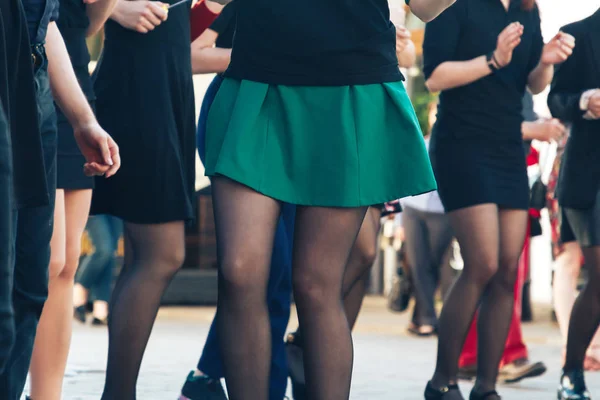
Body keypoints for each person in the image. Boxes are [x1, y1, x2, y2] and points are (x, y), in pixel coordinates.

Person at [203, 0, 454, 399]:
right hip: (258, 81)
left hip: (351, 86)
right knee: (238, 272)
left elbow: (424, 7)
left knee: (317, 284)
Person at [421, 0, 575, 398]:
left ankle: (486, 387)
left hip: (507, 145)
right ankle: (441, 381)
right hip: (462, 144)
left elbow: (532, 83)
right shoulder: (455, 4)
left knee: (509, 270)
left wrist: (545, 61)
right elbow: (434, 77)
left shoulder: (527, 8)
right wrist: (493, 59)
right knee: (482, 263)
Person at [0, 0, 120, 397]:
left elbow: (46, 24)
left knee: (34, 282)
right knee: (23, 277)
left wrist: (83, 119)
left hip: (45, 84)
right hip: (10, 80)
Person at [180, 4, 295, 399]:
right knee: (257, 267)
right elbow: (190, 51)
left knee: (281, 277)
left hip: (303, 121)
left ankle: (219, 378)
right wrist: (253, 59)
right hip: (244, 113)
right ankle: (210, 376)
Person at [91, 0, 195, 396]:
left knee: (145, 255)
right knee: (161, 254)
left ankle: (118, 393)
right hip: (141, 80)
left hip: (167, 80)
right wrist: (113, 6)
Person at [457, 93, 564, 385]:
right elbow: (476, 116)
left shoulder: (521, 69)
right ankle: (506, 355)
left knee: (497, 273)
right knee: (495, 273)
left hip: (508, 173)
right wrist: (532, 129)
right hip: (490, 172)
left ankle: (470, 358)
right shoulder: (495, 60)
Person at [548, 8, 600, 399]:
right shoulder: (576, 34)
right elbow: (554, 99)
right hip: (589, 178)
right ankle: (571, 374)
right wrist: (584, 101)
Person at [400, 100, 453, 337]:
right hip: (412, 208)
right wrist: (397, 222)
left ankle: (423, 315)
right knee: (418, 263)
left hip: (441, 212)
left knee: (433, 262)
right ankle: (427, 319)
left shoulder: (453, 146)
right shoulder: (421, 141)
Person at [550, 137, 600, 372]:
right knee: (567, 259)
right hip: (571, 169)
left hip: (570, 165)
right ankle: (575, 347)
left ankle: (594, 346)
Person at [73, 214, 123, 325]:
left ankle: (100, 306)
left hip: (118, 203)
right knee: (103, 250)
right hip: (95, 202)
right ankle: (78, 292)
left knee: (110, 253)